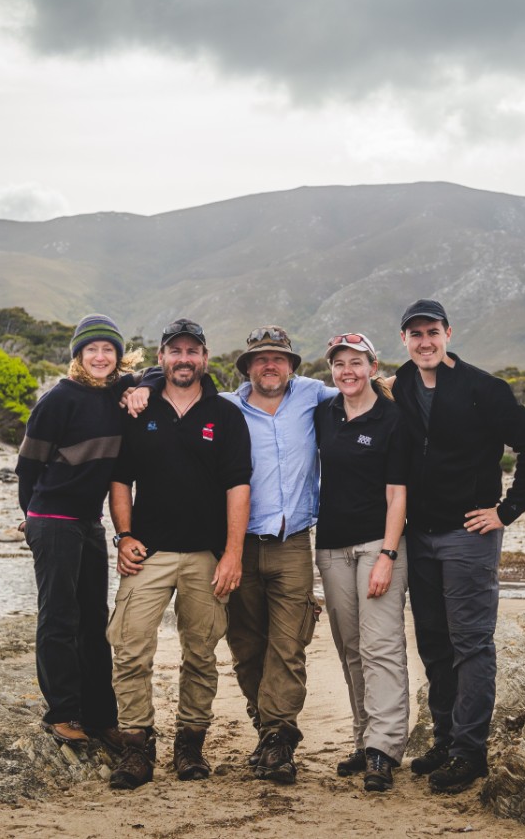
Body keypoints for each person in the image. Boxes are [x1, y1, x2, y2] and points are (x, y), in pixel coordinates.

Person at [392, 299, 525, 794]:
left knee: (472, 646)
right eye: (415, 333)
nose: (425, 341)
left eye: (432, 331)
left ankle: (469, 752)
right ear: (405, 340)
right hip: (418, 535)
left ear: (448, 333)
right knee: (434, 643)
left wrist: (504, 511)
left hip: (469, 537)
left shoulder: (485, 389)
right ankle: (444, 739)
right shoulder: (400, 383)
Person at [105, 318, 253, 789]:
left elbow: (238, 487)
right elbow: (119, 479)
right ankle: (136, 746)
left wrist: (233, 554)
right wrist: (123, 535)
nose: (184, 359)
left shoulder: (225, 414)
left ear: (205, 358)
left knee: (201, 653)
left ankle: (190, 743)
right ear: (162, 357)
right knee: (129, 648)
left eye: (193, 351)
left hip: (206, 556)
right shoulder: (138, 410)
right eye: (175, 351)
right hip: (148, 553)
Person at [15, 313, 147, 750]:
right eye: (91, 349)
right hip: (54, 519)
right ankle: (63, 713)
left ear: (118, 355)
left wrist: (141, 386)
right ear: (78, 355)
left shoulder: (121, 394)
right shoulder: (58, 399)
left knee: (94, 619)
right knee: (59, 616)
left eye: (108, 349)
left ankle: (100, 716)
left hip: (90, 522)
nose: (100, 356)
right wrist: (32, 515)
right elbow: (28, 466)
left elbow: (162, 373)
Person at [222, 326, 338, 784]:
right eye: (261, 358)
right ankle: (269, 731)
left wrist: (390, 384)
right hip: (238, 543)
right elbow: (169, 385)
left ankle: (278, 738)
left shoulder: (313, 395)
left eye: (279, 358)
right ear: (247, 367)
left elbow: (359, 385)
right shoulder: (228, 407)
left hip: (293, 544)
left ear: (292, 365)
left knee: (288, 646)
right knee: (246, 647)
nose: (270, 365)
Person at [312, 332, 409, 792]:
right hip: (330, 547)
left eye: (356, 362)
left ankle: (384, 750)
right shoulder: (324, 413)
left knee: (381, 647)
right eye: (339, 364)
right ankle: (363, 739)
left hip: (377, 545)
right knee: (350, 648)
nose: (347, 371)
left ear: (372, 365)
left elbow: (397, 495)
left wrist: (388, 555)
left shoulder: (392, 418)